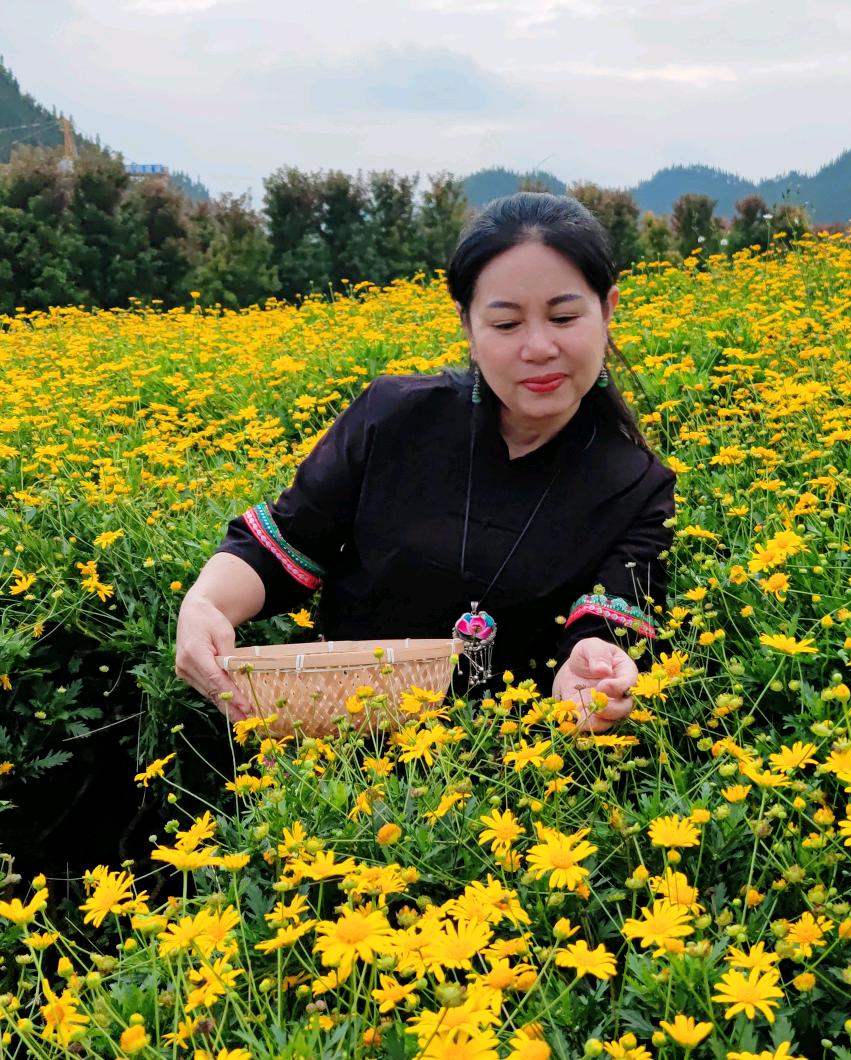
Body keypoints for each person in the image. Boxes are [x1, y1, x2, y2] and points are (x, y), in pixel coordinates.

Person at [175, 192, 676, 734]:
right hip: (341, 753)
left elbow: (606, 621)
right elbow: (285, 544)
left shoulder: (637, 486)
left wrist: (590, 675)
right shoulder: (394, 417)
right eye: (506, 324)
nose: (538, 347)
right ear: (468, 326)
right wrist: (205, 605)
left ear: (607, 310)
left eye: (563, 317)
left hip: (508, 765)